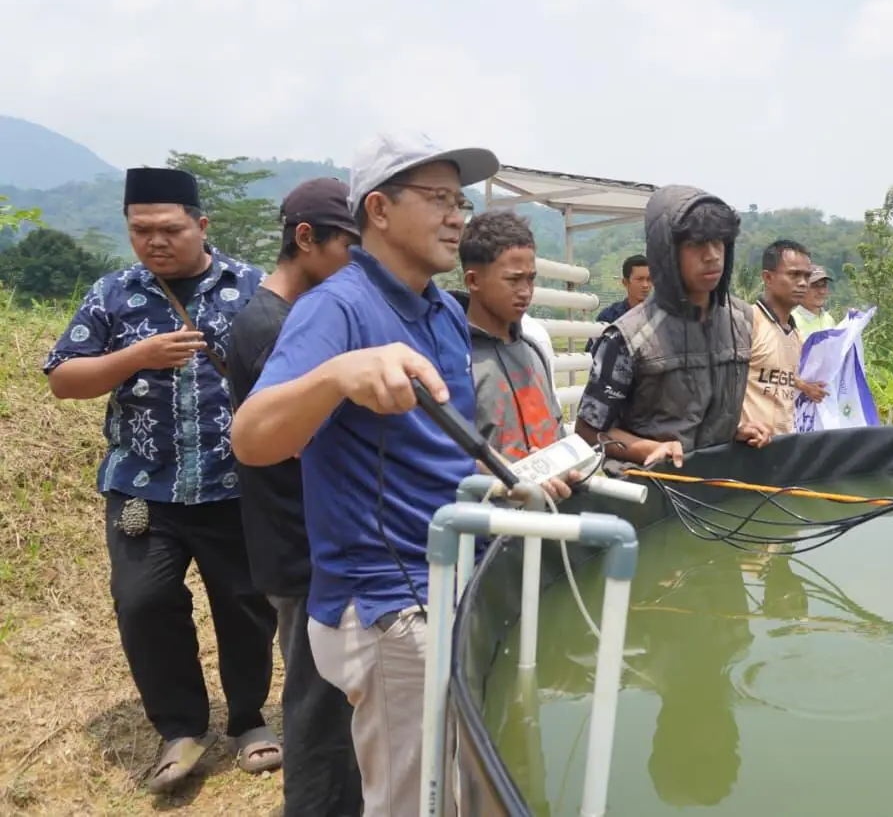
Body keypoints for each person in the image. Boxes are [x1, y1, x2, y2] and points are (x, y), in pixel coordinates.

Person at [228, 131, 576, 816]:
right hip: (389, 602)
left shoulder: (442, 310)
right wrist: (337, 374)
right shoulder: (339, 306)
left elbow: (445, 450)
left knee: (464, 783)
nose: (456, 216)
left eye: (460, 201)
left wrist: (508, 480)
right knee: (412, 800)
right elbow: (252, 437)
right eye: (438, 198)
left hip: (455, 576)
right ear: (379, 210)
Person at [42, 167, 280, 794]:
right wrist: (136, 357)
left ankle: (249, 720)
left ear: (201, 225)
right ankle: (181, 727)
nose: (154, 241)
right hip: (143, 491)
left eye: (169, 229)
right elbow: (63, 378)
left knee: (246, 605)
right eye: (140, 230)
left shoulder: (252, 287)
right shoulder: (114, 293)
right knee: (143, 604)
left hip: (235, 486)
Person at [224, 177, 363, 817]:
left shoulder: (290, 317)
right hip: (298, 542)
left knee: (332, 698)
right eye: (349, 247)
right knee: (317, 705)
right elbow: (297, 441)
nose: (357, 264)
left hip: (308, 537)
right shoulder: (269, 326)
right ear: (305, 238)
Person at [574, 185, 770, 471]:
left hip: (719, 483)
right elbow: (588, 431)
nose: (712, 255)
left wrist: (734, 431)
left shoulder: (740, 320)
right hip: (652, 487)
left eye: (718, 242)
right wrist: (647, 449)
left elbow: (700, 417)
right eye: (696, 244)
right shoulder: (629, 336)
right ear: (667, 252)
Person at [451, 209, 564, 457]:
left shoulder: (534, 349)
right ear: (473, 281)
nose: (525, 292)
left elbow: (556, 428)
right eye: (513, 280)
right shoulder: (456, 360)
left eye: (531, 279)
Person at [741, 239, 828, 437]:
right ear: (768, 277)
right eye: (794, 275)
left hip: (783, 445)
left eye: (806, 276)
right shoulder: (748, 322)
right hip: (747, 445)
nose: (803, 283)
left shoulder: (795, 335)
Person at [586, 254, 651, 354]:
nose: (645, 285)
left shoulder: (660, 315)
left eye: (649, 279)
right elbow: (593, 353)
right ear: (625, 282)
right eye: (639, 279)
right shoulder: (609, 316)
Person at [793, 265, 837, 339]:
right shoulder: (792, 322)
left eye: (824, 285)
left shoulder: (829, 319)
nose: (821, 291)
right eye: (815, 286)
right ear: (802, 288)